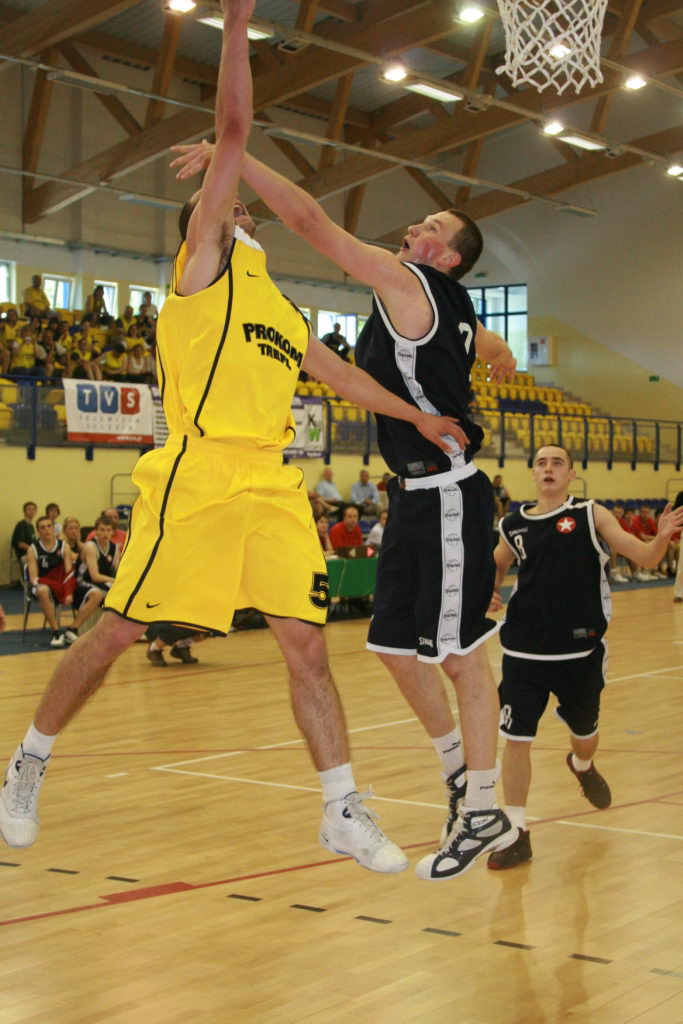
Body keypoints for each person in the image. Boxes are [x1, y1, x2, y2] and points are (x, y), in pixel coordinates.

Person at [0, 2, 465, 869]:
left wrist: (418, 417)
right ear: (206, 227)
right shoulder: (202, 272)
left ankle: (340, 807)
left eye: (238, 205)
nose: (238, 208)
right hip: (197, 473)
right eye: (223, 205)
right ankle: (27, 762)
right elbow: (237, 128)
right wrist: (239, 22)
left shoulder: (279, 309)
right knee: (117, 630)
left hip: (271, 482)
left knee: (306, 646)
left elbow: (342, 377)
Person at [171, 116, 521, 880]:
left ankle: (483, 808)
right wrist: (496, 352)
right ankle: (457, 772)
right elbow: (486, 343)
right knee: (392, 647)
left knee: (459, 657)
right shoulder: (441, 301)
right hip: (411, 496)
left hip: (449, 491)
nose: (412, 229)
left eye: (428, 228)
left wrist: (238, 155)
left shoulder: (410, 282)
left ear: (444, 258)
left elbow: (309, 222)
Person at [487, 446, 683, 869]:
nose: (548, 469)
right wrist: (490, 589)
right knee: (516, 739)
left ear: (571, 474)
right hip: (522, 650)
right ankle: (517, 831)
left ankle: (582, 763)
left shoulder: (592, 514)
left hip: (579, 651)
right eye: (541, 463)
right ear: (533, 474)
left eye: (557, 463)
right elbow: (497, 564)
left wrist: (663, 535)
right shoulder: (513, 523)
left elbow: (646, 557)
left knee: (585, 733)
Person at [64, 516, 120, 645]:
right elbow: (94, 576)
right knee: (98, 594)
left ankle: (121, 630)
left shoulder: (114, 548)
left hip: (101, 583)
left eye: (108, 530)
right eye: (102, 530)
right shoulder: (90, 546)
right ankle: (73, 628)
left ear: (112, 532)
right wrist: (115, 581)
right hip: (81, 583)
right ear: (96, 531)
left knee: (124, 592)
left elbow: (119, 571)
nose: (105, 533)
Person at [25, 515, 75, 649]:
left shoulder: (64, 546)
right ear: (38, 531)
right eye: (42, 528)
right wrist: (51, 585)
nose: (46, 530)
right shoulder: (33, 549)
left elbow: (69, 573)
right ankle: (57, 632)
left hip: (61, 584)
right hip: (41, 584)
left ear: (53, 528)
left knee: (90, 591)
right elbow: (34, 578)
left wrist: (68, 592)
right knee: (43, 590)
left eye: (49, 526)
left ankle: (73, 629)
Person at [11, 501, 37, 568]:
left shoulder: (31, 526)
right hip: (25, 555)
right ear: (24, 511)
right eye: (29, 509)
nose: (31, 511)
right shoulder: (21, 525)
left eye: (33, 509)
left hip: (32, 554)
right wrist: (35, 551)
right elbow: (21, 544)